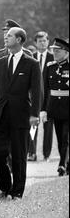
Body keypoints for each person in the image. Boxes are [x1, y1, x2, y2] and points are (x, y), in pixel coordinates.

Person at [0, 27, 41, 200]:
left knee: (19, 155)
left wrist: (34, 114)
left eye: (9, 36)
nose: (5, 39)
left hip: (21, 115)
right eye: (6, 36)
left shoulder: (32, 63)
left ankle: (17, 191)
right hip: (0, 116)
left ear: (20, 40)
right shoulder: (0, 63)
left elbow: (37, 91)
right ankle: (5, 187)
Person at [41, 38, 69, 176]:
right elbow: (44, 90)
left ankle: (62, 164)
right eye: (54, 50)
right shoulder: (50, 67)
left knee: (66, 137)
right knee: (60, 137)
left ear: (66, 52)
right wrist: (43, 109)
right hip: (55, 108)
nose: (55, 53)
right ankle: (66, 162)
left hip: (68, 107)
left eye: (58, 51)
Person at [28, 31, 54, 162]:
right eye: (39, 41)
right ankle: (32, 152)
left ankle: (47, 154)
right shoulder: (31, 57)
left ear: (48, 42)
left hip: (49, 99)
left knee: (48, 127)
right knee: (32, 126)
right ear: (35, 43)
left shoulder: (53, 58)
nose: (42, 43)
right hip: (34, 98)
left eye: (44, 40)